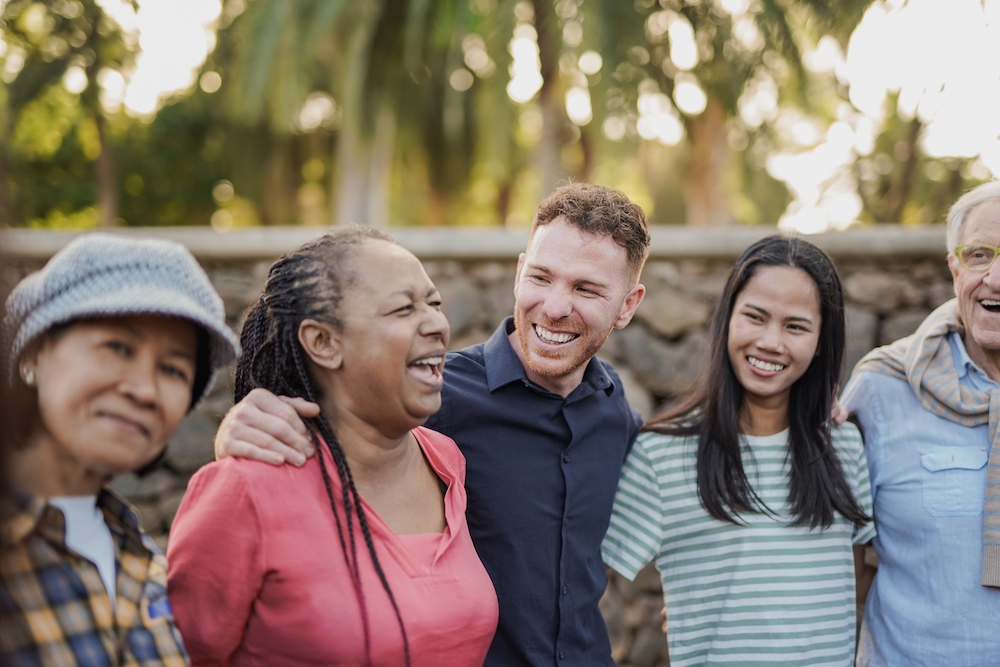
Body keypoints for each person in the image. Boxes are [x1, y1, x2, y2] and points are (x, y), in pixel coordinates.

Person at [213, 183, 649, 665]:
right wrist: (240, 428)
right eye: (542, 278)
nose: (555, 306)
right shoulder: (431, 399)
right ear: (520, 271)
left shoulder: (615, 411)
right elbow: (312, 441)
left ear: (628, 305)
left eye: (586, 288)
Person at [166, 227, 499, 666]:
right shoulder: (247, 488)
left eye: (434, 303)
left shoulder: (446, 463)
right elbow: (172, 654)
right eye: (403, 308)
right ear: (323, 342)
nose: (437, 323)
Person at [602, 236, 875, 667]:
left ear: (822, 339)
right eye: (755, 317)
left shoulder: (843, 445)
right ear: (727, 318)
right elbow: (584, 584)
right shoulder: (662, 454)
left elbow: (853, 581)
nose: (771, 341)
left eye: (796, 326)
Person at [0, 233, 240, 666]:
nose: (144, 390)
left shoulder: (139, 560)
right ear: (33, 354)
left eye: (171, 369)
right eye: (118, 348)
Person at [841, 180, 1000, 666]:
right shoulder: (882, 388)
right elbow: (820, 543)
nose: (995, 278)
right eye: (979, 255)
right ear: (955, 268)